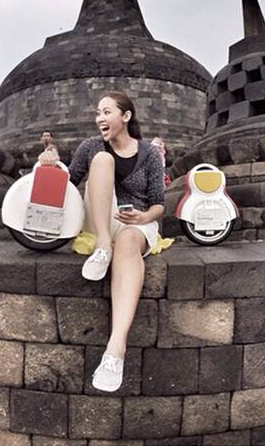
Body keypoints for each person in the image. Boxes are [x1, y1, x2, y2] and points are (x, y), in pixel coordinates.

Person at [38, 91, 166, 392]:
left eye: (107, 112)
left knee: (129, 243)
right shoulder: (91, 147)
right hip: (100, 220)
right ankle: (103, 247)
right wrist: (49, 162)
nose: (100, 118)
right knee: (103, 159)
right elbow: (68, 182)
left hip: (135, 222)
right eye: (98, 112)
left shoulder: (149, 154)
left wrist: (144, 217)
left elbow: (159, 204)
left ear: (126, 116)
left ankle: (115, 349)